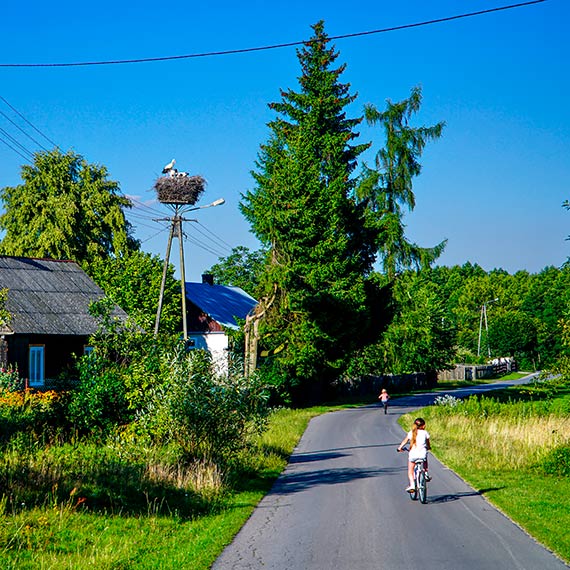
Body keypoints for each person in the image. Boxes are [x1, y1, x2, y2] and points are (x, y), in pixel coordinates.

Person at [397, 417, 431, 492]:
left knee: (410, 471)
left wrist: (399, 448)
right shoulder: (425, 432)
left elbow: (405, 441)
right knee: (425, 458)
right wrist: (428, 447)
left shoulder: (411, 432)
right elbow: (428, 443)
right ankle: (425, 472)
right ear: (423, 425)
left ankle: (412, 485)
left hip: (413, 455)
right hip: (422, 454)